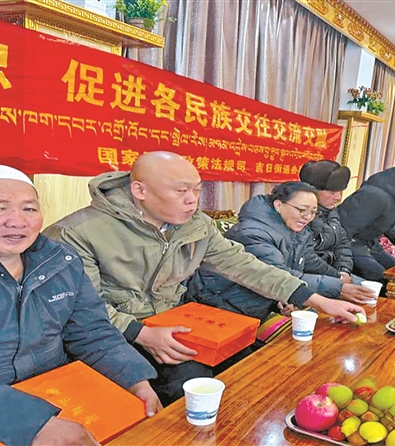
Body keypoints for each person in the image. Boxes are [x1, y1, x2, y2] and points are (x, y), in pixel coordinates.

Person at [44, 152, 364, 406]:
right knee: (193, 384)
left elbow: (244, 265)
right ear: (140, 190)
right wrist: (141, 333)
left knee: (249, 367)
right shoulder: (77, 233)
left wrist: (317, 299)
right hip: (114, 336)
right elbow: (82, 309)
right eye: (181, 191)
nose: (192, 200)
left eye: (197, 190)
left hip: (174, 322)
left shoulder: (194, 225)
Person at [0, 165, 160, 446]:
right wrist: (32, 425)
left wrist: (134, 381)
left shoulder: (59, 259)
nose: (18, 221)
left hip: (54, 395)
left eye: (29, 209)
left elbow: (92, 332)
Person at [190, 182, 376, 321]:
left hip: (260, 302)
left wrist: (338, 276)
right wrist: (337, 288)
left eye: (313, 212)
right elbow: (274, 274)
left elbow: (308, 260)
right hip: (221, 304)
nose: (308, 217)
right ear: (279, 205)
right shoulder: (253, 232)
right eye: (302, 210)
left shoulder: (296, 228)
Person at [298, 160, 356, 282]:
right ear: (312, 191)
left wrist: (344, 270)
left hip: (334, 273)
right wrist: (337, 277)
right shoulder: (299, 215)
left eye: (340, 192)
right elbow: (307, 258)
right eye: (332, 193)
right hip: (310, 276)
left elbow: (342, 243)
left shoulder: (331, 211)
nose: (338, 198)